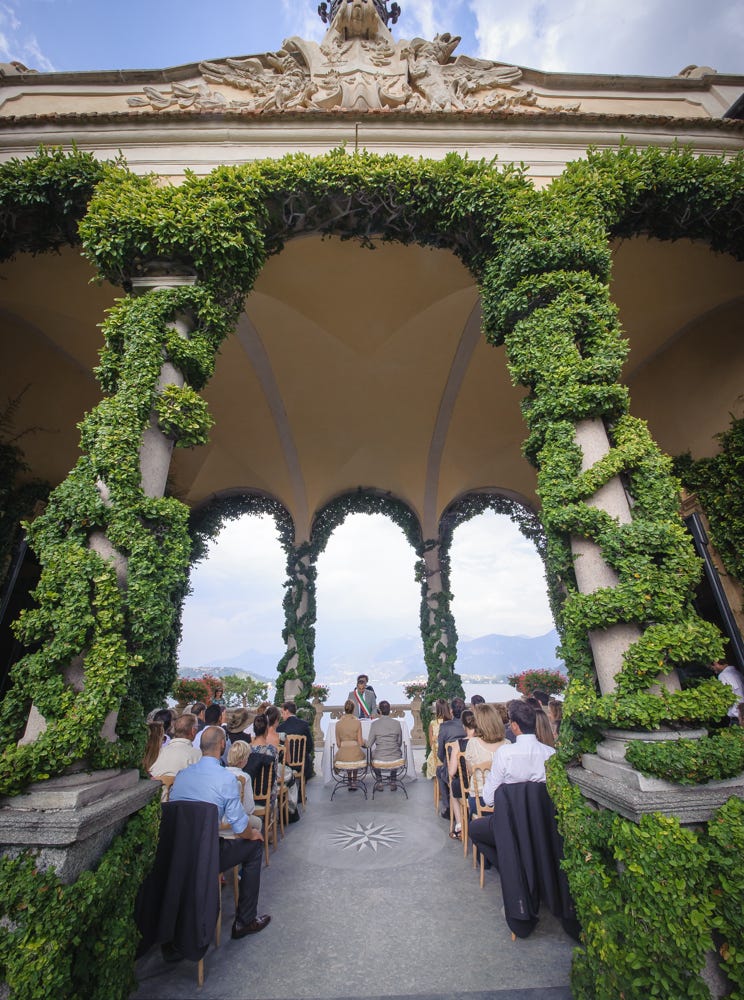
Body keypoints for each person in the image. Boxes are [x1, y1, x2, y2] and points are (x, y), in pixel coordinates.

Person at [170, 726, 270, 940]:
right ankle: (245, 920)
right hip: (209, 852)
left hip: (178, 852)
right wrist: (251, 834)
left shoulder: (182, 776)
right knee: (254, 847)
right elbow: (239, 825)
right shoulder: (225, 779)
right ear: (223, 745)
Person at [481, 700, 555, 807]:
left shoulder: (504, 753)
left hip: (511, 818)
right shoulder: (550, 753)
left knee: (475, 824)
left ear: (514, 725)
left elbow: (489, 799)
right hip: (542, 818)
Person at [465, 703, 508, 813]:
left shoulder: (473, 743)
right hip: (504, 799)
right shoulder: (507, 744)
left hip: (479, 799)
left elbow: (470, 771)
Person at [447, 709, 475, 839]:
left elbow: (451, 772)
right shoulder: (484, 741)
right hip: (483, 786)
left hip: (466, 787)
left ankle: (459, 825)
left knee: (452, 785)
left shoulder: (459, 744)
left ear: (463, 725)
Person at [149, 713, 201, 782]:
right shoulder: (198, 755)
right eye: (197, 727)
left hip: (158, 791)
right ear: (193, 731)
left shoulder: (158, 753)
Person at [436, 696, 465, 819]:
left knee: (439, 771)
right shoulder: (469, 725)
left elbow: (440, 753)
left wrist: (447, 762)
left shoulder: (445, 727)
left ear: (451, 711)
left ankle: (448, 807)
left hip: (452, 770)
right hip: (468, 769)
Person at [225, 741, 262, 831]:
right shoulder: (244, 777)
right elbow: (249, 808)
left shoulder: (221, 773)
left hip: (221, 818)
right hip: (237, 820)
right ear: (243, 760)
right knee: (258, 822)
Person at [367, 700, 403, 791]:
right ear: (390, 710)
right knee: (395, 751)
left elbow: (369, 744)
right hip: (395, 757)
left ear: (380, 711)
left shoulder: (375, 724)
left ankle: (379, 781)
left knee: (372, 753)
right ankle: (393, 781)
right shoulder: (397, 723)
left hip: (380, 757)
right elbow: (399, 743)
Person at [277, 700, 315, 779]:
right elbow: (310, 746)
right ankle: (302, 786)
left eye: (282, 712)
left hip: (286, 763)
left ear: (287, 711)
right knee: (308, 757)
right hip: (301, 764)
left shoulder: (280, 727)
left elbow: (279, 748)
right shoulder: (304, 725)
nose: (281, 715)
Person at [334, 699, 366, 790]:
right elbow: (360, 743)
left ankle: (349, 780)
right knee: (355, 754)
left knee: (347, 754)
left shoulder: (338, 724)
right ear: (353, 709)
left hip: (343, 754)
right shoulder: (357, 722)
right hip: (355, 754)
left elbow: (338, 744)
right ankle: (354, 782)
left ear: (345, 709)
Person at [711, 653, 744, 723]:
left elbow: (725, 697)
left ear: (716, 663)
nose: (713, 669)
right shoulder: (737, 672)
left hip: (737, 716)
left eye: (712, 666)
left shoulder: (723, 675)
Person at [425, 698, 451, 780]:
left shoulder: (433, 723)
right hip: (449, 757)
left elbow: (431, 744)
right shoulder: (451, 723)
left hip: (437, 758)